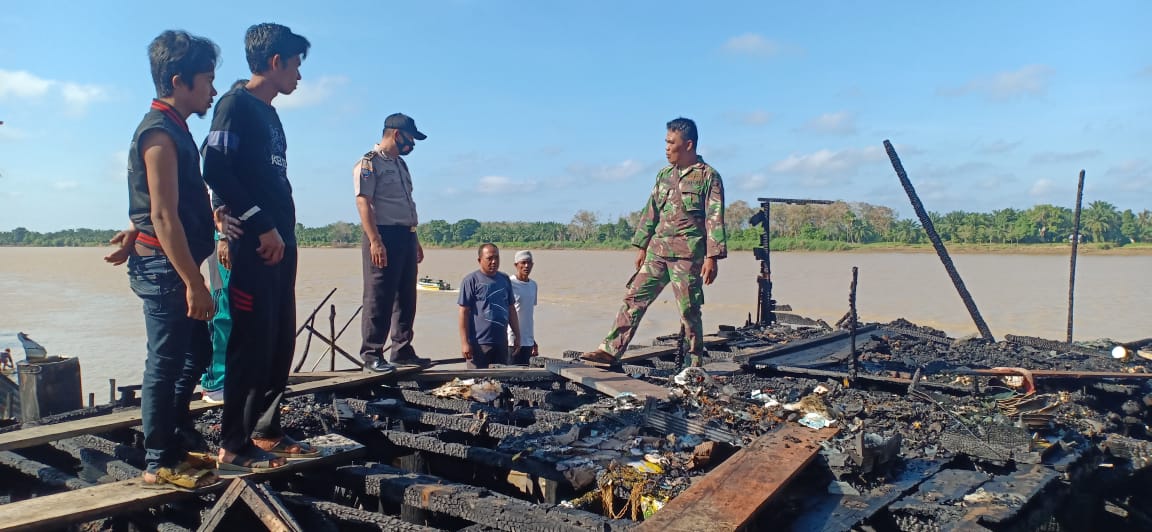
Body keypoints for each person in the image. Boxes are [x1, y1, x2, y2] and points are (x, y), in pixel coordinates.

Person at [202, 23, 315, 472]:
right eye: (296, 66)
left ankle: (266, 431)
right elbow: (215, 166)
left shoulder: (270, 113)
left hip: (280, 245)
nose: (299, 78)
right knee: (249, 343)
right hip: (256, 245)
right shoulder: (235, 105)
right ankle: (233, 442)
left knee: (278, 338)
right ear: (275, 62)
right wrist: (259, 224)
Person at [124, 30, 221, 489]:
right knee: (164, 361)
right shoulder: (159, 131)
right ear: (179, 81)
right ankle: (159, 458)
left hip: (172, 263)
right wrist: (193, 282)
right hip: (166, 268)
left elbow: (159, 205)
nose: (213, 90)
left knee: (197, 351)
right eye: (207, 80)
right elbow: (162, 214)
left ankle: (176, 434)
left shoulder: (175, 127)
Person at [581, 117, 727, 369]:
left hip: (687, 255)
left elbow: (715, 216)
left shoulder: (708, 177)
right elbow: (650, 212)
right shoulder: (663, 175)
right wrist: (642, 246)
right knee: (634, 297)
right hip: (657, 251)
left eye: (672, 143)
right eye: (666, 142)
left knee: (689, 310)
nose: (667, 148)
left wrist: (712, 257)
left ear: (689, 145)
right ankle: (609, 350)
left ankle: (694, 364)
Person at [354, 113, 432, 373]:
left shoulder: (401, 165)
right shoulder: (370, 163)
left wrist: (415, 238)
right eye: (411, 139)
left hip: (406, 236)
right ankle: (372, 353)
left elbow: (406, 204)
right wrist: (375, 241)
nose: (412, 145)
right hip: (383, 235)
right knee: (379, 297)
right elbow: (363, 201)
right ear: (397, 135)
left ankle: (402, 350)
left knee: (406, 297)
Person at [199, 79, 249, 405]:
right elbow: (217, 191)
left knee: (246, 311)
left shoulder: (251, 141)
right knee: (223, 310)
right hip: (225, 238)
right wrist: (221, 237)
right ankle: (215, 381)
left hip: (249, 237)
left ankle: (239, 377)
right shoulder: (220, 142)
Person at [458, 243, 520, 369]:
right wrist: (465, 343)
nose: (494, 261)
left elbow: (511, 309)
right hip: (479, 344)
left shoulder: (505, 279)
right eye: (489, 258)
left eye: (497, 258)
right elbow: (463, 312)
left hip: (501, 342)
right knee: (477, 385)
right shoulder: (471, 280)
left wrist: (518, 335)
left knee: (500, 383)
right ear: (479, 260)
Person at [508, 250, 539, 365]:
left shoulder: (533, 285)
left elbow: (528, 314)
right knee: (510, 376)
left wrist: (533, 340)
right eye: (523, 262)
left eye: (529, 263)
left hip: (528, 342)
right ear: (516, 265)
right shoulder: (509, 283)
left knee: (525, 377)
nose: (526, 266)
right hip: (511, 341)